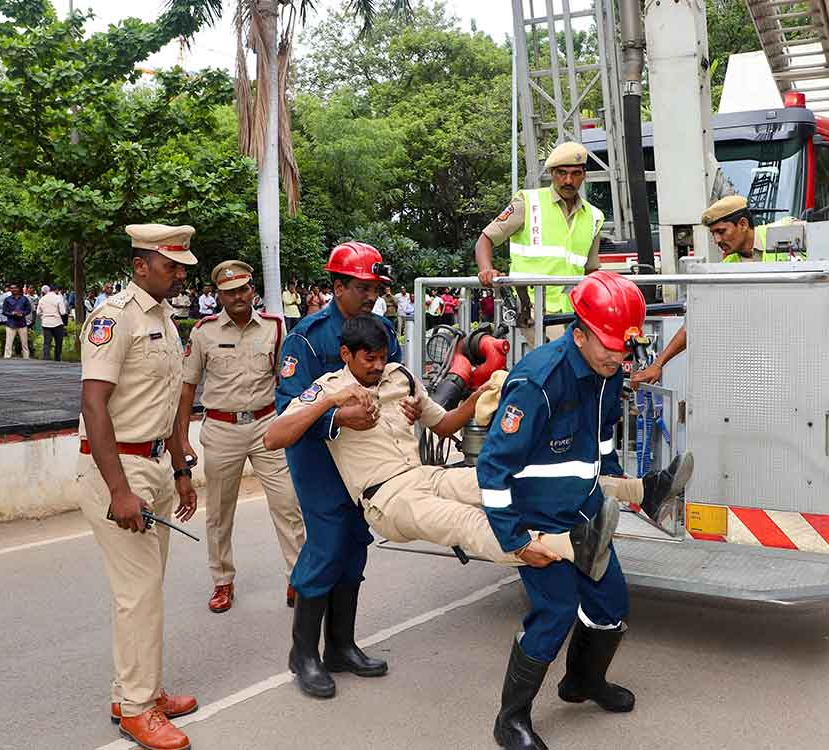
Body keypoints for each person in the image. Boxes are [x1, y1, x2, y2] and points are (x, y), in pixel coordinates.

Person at [265, 315, 628, 579]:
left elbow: (444, 423)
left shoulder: (400, 378)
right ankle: (573, 548)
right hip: (388, 499)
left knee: (514, 480)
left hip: (425, 475)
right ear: (346, 354)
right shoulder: (327, 387)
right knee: (468, 521)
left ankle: (639, 489)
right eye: (369, 359)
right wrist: (334, 403)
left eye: (382, 356)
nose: (379, 366)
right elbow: (274, 437)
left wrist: (479, 399)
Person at [478, 272, 646, 750]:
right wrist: (516, 541)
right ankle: (510, 720)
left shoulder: (609, 372)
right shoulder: (539, 381)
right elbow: (492, 467)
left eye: (625, 347)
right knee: (555, 613)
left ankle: (582, 683)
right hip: (540, 523)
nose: (618, 357)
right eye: (609, 346)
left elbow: (604, 431)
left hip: (586, 515)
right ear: (579, 333)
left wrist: (611, 476)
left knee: (611, 606)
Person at [76, 223, 200, 750]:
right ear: (140, 266)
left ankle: (132, 689)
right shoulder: (113, 318)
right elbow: (93, 405)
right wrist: (120, 491)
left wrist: (179, 467)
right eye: (171, 266)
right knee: (140, 593)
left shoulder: (167, 322)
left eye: (181, 267)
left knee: (143, 591)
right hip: (118, 472)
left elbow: (171, 404)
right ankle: (136, 709)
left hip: (154, 468)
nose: (178, 275)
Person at [275, 242, 404, 700]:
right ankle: (303, 654)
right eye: (362, 288)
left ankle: (341, 646)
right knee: (327, 543)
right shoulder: (307, 337)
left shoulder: (380, 329)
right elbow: (286, 407)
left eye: (375, 288)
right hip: (317, 456)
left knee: (355, 543)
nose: (370, 296)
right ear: (337, 286)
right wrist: (335, 417)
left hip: (364, 456)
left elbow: (394, 382)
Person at [176, 260, 306, 613]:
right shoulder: (203, 332)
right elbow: (187, 387)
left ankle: (299, 578)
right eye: (229, 291)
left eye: (243, 289)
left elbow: (288, 381)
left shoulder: (276, 328)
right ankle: (222, 581)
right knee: (219, 511)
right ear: (218, 295)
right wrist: (183, 438)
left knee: (287, 503)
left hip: (267, 425)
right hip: (221, 428)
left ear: (253, 290)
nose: (237, 296)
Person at [631, 195, 829, 385]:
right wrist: (658, 364)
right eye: (713, 234)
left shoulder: (785, 231)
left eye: (721, 231)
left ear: (742, 224)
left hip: (828, 336)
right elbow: (696, 323)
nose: (716, 239)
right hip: (782, 354)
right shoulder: (728, 268)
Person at [473, 141, 605, 341]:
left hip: (574, 310)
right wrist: (486, 269)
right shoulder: (527, 202)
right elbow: (485, 239)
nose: (568, 180)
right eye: (561, 172)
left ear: (584, 175)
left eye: (575, 173)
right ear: (552, 173)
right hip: (531, 307)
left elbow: (591, 270)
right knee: (561, 355)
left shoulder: (595, 216)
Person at [2, 283, 33, 359]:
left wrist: (22, 314)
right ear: (10, 290)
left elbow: (29, 309)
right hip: (11, 324)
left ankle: (26, 357)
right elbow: (4, 311)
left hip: (22, 323)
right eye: (12, 288)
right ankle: (7, 357)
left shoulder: (24, 299)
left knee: (24, 343)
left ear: (18, 289)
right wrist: (12, 313)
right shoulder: (7, 299)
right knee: (8, 343)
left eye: (15, 288)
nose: (14, 290)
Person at [38, 284, 68, 361]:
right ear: (57, 290)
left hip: (46, 322)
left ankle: (46, 358)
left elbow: (38, 312)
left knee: (47, 342)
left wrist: (45, 314)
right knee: (58, 342)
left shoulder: (42, 299)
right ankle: (57, 359)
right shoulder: (58, 298)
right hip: (57, 322)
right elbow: (63, 312)